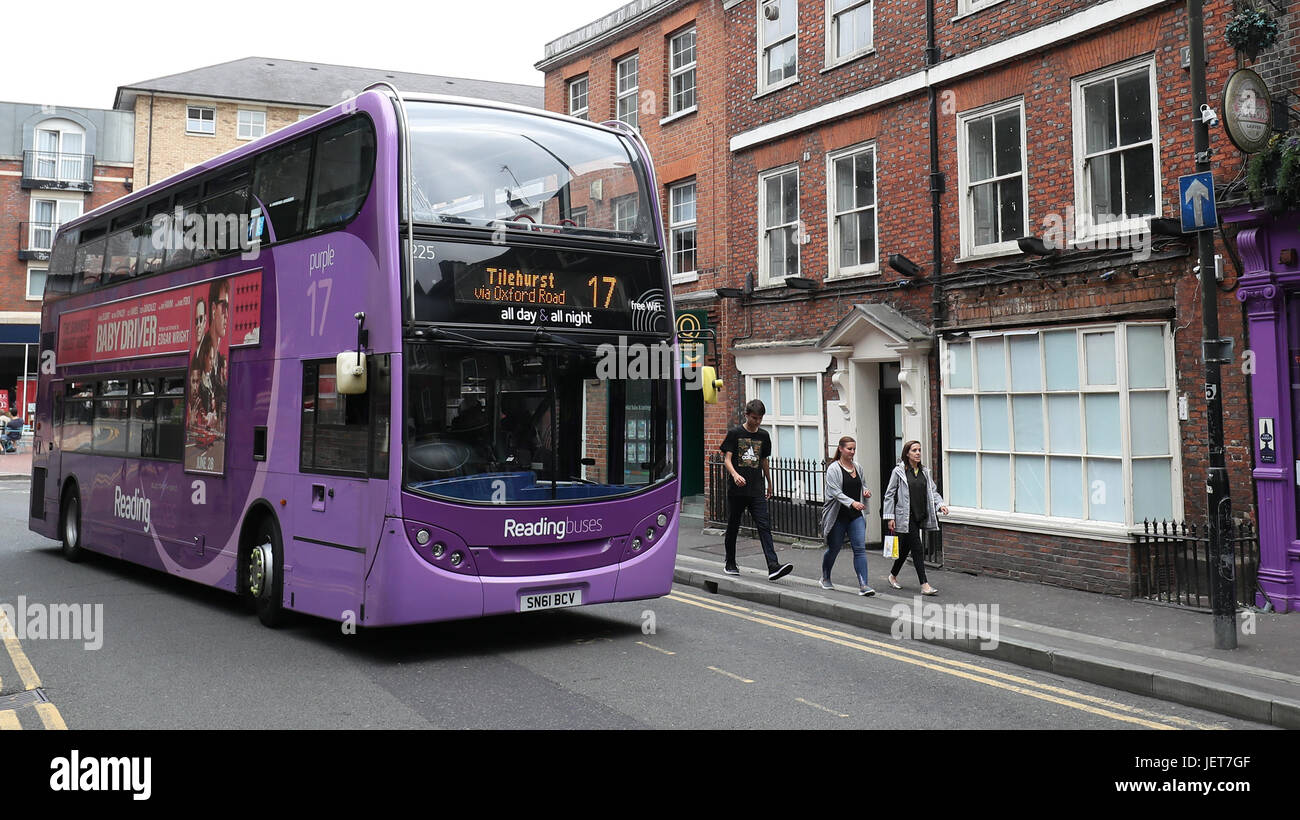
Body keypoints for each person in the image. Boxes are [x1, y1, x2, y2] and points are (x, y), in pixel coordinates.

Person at [720, 399, 794, 581]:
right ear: (746, 415)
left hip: (756, 489)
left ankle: (773, 566)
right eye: (754, 418)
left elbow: (764, 461)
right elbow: (727, 459)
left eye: (760, 418)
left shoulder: (763, 436)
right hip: (737, 490)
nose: (757, 422)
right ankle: (730, 562)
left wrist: (769, 482)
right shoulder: (735, 434)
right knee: (733, 526)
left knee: (764, 525)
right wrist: (735, 475)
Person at [882, 440, 949, 595]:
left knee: (905, 548)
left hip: (920, 515)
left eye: (919, 450)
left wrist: (940, 505)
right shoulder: (899, 472)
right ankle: (924, 585)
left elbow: (932, 491)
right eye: (914, 450)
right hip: (905, 516)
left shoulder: (924, 472)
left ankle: (892, 576)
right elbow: (889, 495)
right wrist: (889, 517)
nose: (918, 453)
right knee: (918, 548)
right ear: (907, 453)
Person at [820, 436, 874, 596]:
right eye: (849, 449)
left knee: (860, 549)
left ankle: (864, 585)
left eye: (854, 449)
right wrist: (852, 502)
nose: (852, 452)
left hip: (855, 516)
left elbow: (862, 483)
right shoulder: (833, 469)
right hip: (837, 516)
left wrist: (865, 491)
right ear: (841, 449)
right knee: (834, 548)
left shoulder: (857, 467)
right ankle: (825, 577)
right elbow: (835, 492)